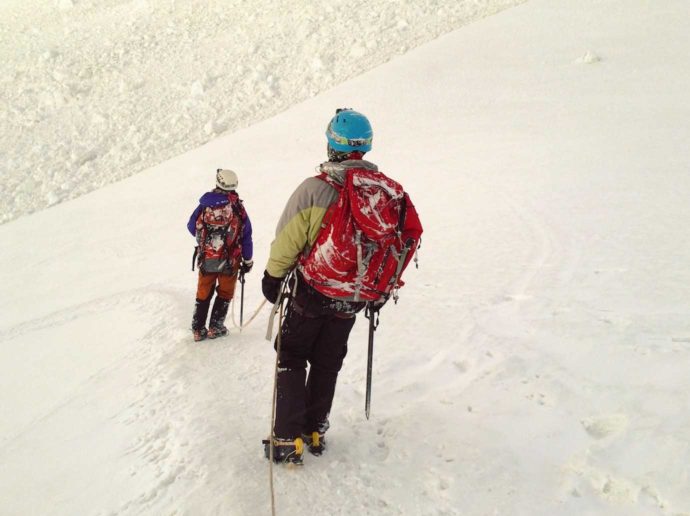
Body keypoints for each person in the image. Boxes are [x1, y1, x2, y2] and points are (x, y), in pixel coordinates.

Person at [261, 109, 423, 464]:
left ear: (332, 143)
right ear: (365, 146)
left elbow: (287, 241)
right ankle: (314, 431)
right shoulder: (387, 194)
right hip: (355, 296)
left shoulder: (315, 189)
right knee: (327, 360)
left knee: (291, 355)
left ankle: (287, 440)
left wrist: (273, 278)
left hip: (314, 290)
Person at [187, 169, 253, 342]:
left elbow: (191, 226)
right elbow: (246, 235)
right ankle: (215, 327)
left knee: (203, 291)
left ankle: (198, 329)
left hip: (207, 258)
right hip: (230, 260)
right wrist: (248, 260)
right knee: (225, 292)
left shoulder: (205, 205)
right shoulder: (237, 207)